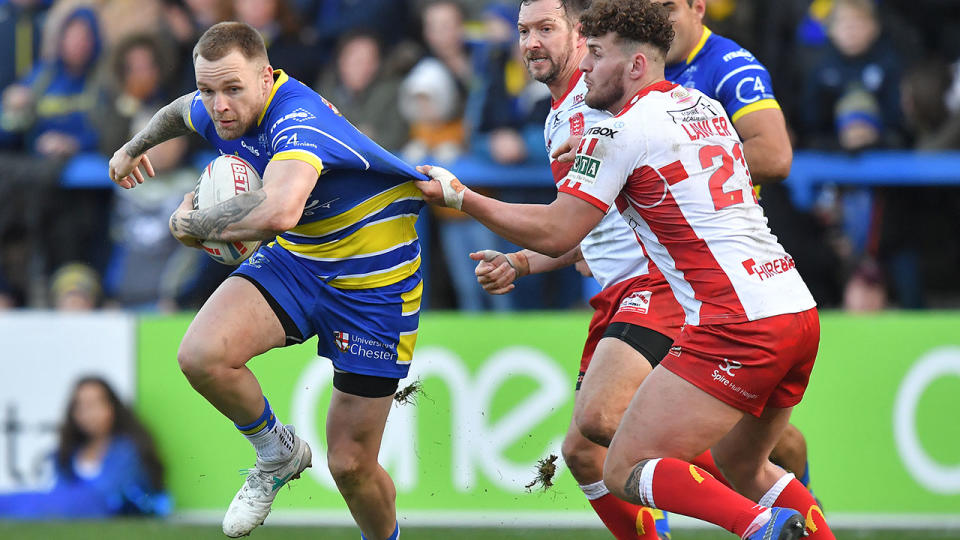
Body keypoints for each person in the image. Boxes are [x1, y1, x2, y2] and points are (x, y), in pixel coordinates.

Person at [415, 1, 833, 539]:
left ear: (634, 64)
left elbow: (562, 227)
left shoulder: (613, 128)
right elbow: (624, 221)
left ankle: (760, 527)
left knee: (619, 460)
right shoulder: (701, 105)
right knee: (737, 463)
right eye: (524, 31)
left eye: (593, 51)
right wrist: (525, 259)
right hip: (794, 306)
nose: (585, 65)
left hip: (726, 315)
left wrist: (461, 196)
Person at [107, 22, 426, 540]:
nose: (219, 105)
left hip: (374, 283)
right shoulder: (219, 105)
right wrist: (133, 145)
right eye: (209, 89)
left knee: (350, 465)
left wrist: (188, 225)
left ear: (266, 77)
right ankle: (277, 452)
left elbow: (279, 210)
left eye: (232, 88)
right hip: (300, 260)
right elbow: (178, 111)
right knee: (201, 354)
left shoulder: (298, 121)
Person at [652, 0, 816, 489]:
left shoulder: (729, 66)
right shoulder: (641, 70)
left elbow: (774, 153)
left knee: (624, 427)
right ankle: (793, 505)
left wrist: (682, 167)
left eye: (668, 6)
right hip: (665, 267)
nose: (658, 20)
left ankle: (793, 501)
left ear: (698, 7)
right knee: (624, 422)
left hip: (726, 272)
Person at [0, 377, 169, 518]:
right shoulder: (69, 453)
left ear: (111, 407)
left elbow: (103, 500)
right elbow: (59, 498)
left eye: (94, 404)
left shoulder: (127, 451)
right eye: (80, 406)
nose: (87, 413)